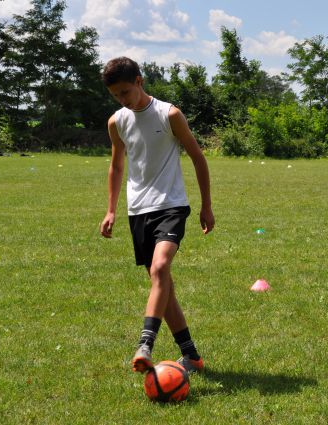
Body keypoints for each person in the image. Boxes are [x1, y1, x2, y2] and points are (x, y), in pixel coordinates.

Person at [99, 57, 215, 374]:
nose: (122, 100)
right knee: (161, 283)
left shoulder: (169, 114)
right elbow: (116, 166)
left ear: (140, 81)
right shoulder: (116, 122)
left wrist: (206, 205)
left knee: (161, 267)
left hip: (171, 204)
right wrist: (111, 209)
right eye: (116, 96)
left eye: (125, 92)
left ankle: (145, 344)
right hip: (138, 210)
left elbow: (197, 158)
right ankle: (191, 355)